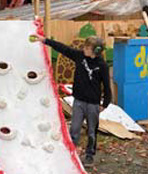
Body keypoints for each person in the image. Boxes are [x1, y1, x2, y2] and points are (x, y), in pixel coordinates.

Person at [43, 36, 111, 166]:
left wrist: (105, 103)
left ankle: (89, 155)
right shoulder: (80, 57)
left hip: (93, 104)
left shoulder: (102, 65)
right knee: (74, 128)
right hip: (79, 101)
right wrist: (45, 40)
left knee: (91, 131)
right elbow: (63, 48)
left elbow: (107, 85)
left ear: (96, 51)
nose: (84, 49)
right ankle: (71, 152)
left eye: (87, 48)